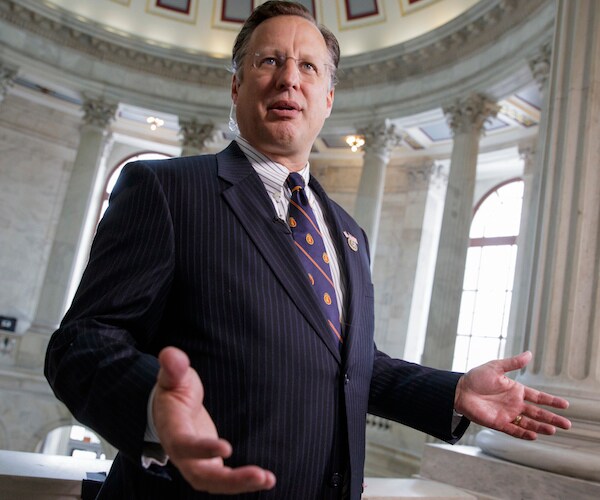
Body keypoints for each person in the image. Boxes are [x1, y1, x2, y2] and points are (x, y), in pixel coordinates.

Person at [44, 2, 571, 499]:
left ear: (328, 98)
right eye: (268, 60)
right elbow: (80, 343)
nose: (289, 77)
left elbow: (347, 363)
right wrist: (152, 409)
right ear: (236, 85)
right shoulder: (165, 189)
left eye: (309, 67)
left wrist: (453, 392)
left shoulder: (347, 233)